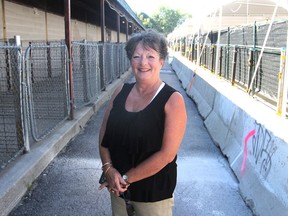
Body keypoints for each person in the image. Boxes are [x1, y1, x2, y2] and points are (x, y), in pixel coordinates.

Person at [98, 29, 187, 216]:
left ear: (162, 61)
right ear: (131, 61)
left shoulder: (172, 100)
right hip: (118, 190)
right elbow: (104, 138)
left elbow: (167, 155)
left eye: (150, 56)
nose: (143, 62)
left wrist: (124, 178)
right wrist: (108, 169)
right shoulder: (120, 91)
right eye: (137, 56)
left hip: (152, 196)